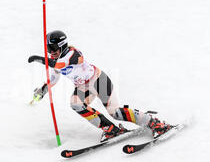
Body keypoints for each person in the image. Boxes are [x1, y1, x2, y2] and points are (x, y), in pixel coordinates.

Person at [28, 30, 172, 142]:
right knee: (75, 104)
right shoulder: (55, 61)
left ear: (62, 45)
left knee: (115, 112)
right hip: (83, 87)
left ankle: (155, 123)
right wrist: (43, 90)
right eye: (48, 49)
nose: (51, 52)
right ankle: (110, 129)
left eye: (53, 48)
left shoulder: (73, 54)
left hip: (98, 81)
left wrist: (39, 59)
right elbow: (53, 78)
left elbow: (60, 64)